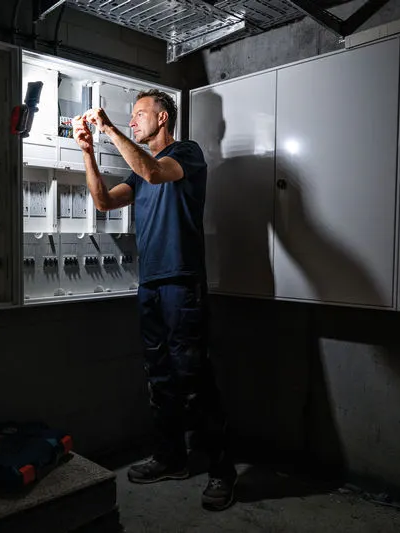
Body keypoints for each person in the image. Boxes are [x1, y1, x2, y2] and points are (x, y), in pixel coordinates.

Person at [72, 89, 237, 511]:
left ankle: (222, 471)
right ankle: (171, 458)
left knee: (194, 381)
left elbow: (153, 173)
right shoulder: (138, 171)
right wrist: (89, 151)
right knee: (159, 379)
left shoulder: (186, 154)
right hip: (151, 285)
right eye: (128, 118)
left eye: (139, 114)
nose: (132, 122)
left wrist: (107, 127)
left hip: (182, 284)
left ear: (163, 119)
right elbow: (104, 201)